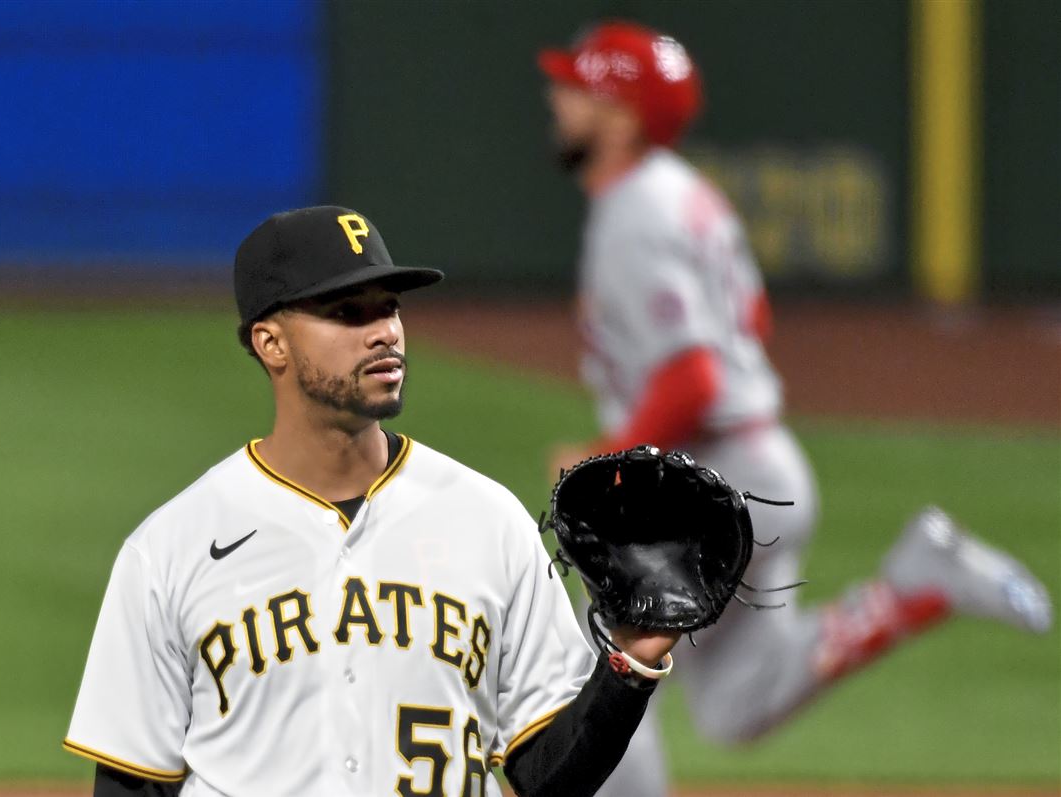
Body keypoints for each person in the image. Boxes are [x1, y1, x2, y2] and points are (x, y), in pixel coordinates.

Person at [538, 20, 1054, 797]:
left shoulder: (636, 213)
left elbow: (695, 375)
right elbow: (749, 326)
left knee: (603, 669)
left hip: (716, 479)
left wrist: (611, 455)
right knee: (735, 704)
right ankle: (915, 585)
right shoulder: (683, 194)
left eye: (577, 88)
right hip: (757, 465)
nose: (558, 99)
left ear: (622, 115)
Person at [64, 205, 684, 797]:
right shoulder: (170, 549)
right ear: (270, 343)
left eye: (388, 308)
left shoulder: (489, 522)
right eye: (347, 312)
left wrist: (627, 665)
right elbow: (131, 783)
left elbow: (547, 778)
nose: (384, 332)